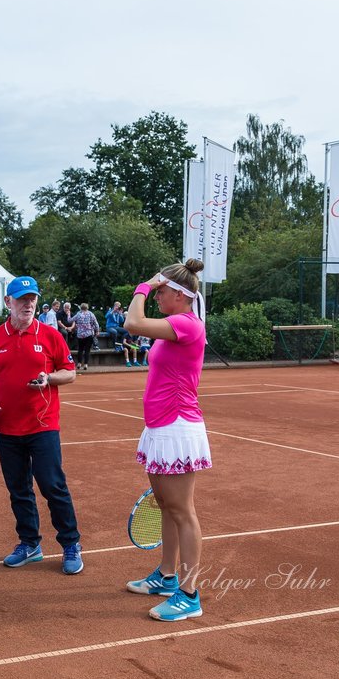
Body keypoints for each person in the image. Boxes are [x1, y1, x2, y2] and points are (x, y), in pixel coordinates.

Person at [0, 276, 83, 575]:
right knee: (19, 489)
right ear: (8, 302)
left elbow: (70, 372)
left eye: (32, 298)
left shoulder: (50, 335)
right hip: (6, 427)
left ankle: (71, 543)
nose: (29, 304)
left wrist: (50, 378)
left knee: (52, 486)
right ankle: (29, 543)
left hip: (42, 424)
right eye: (22, 299)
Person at [123, 259, 211, 622]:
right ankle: (166, 575)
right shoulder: (174, 325)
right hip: (161, 426)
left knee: (182, 510)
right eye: (156, 291)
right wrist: (151, 284)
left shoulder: (187, 325)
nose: (157, 295)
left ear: (179, 295)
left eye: (161, 291)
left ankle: (189, 594)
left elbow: (132, 323)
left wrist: (142, 286)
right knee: (165, 505)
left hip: (178, 427)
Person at [72, 303, 100, 371]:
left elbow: (70, 320)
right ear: (87, 308)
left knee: (80, 349)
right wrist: (97, 331)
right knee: (87, 350)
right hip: (88, 334)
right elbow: (96, 323)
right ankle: (85, 364)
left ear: (81, 308)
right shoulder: (90, 314)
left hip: (80, 334)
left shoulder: (78, 314)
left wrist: (68, 315)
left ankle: (79, 363)